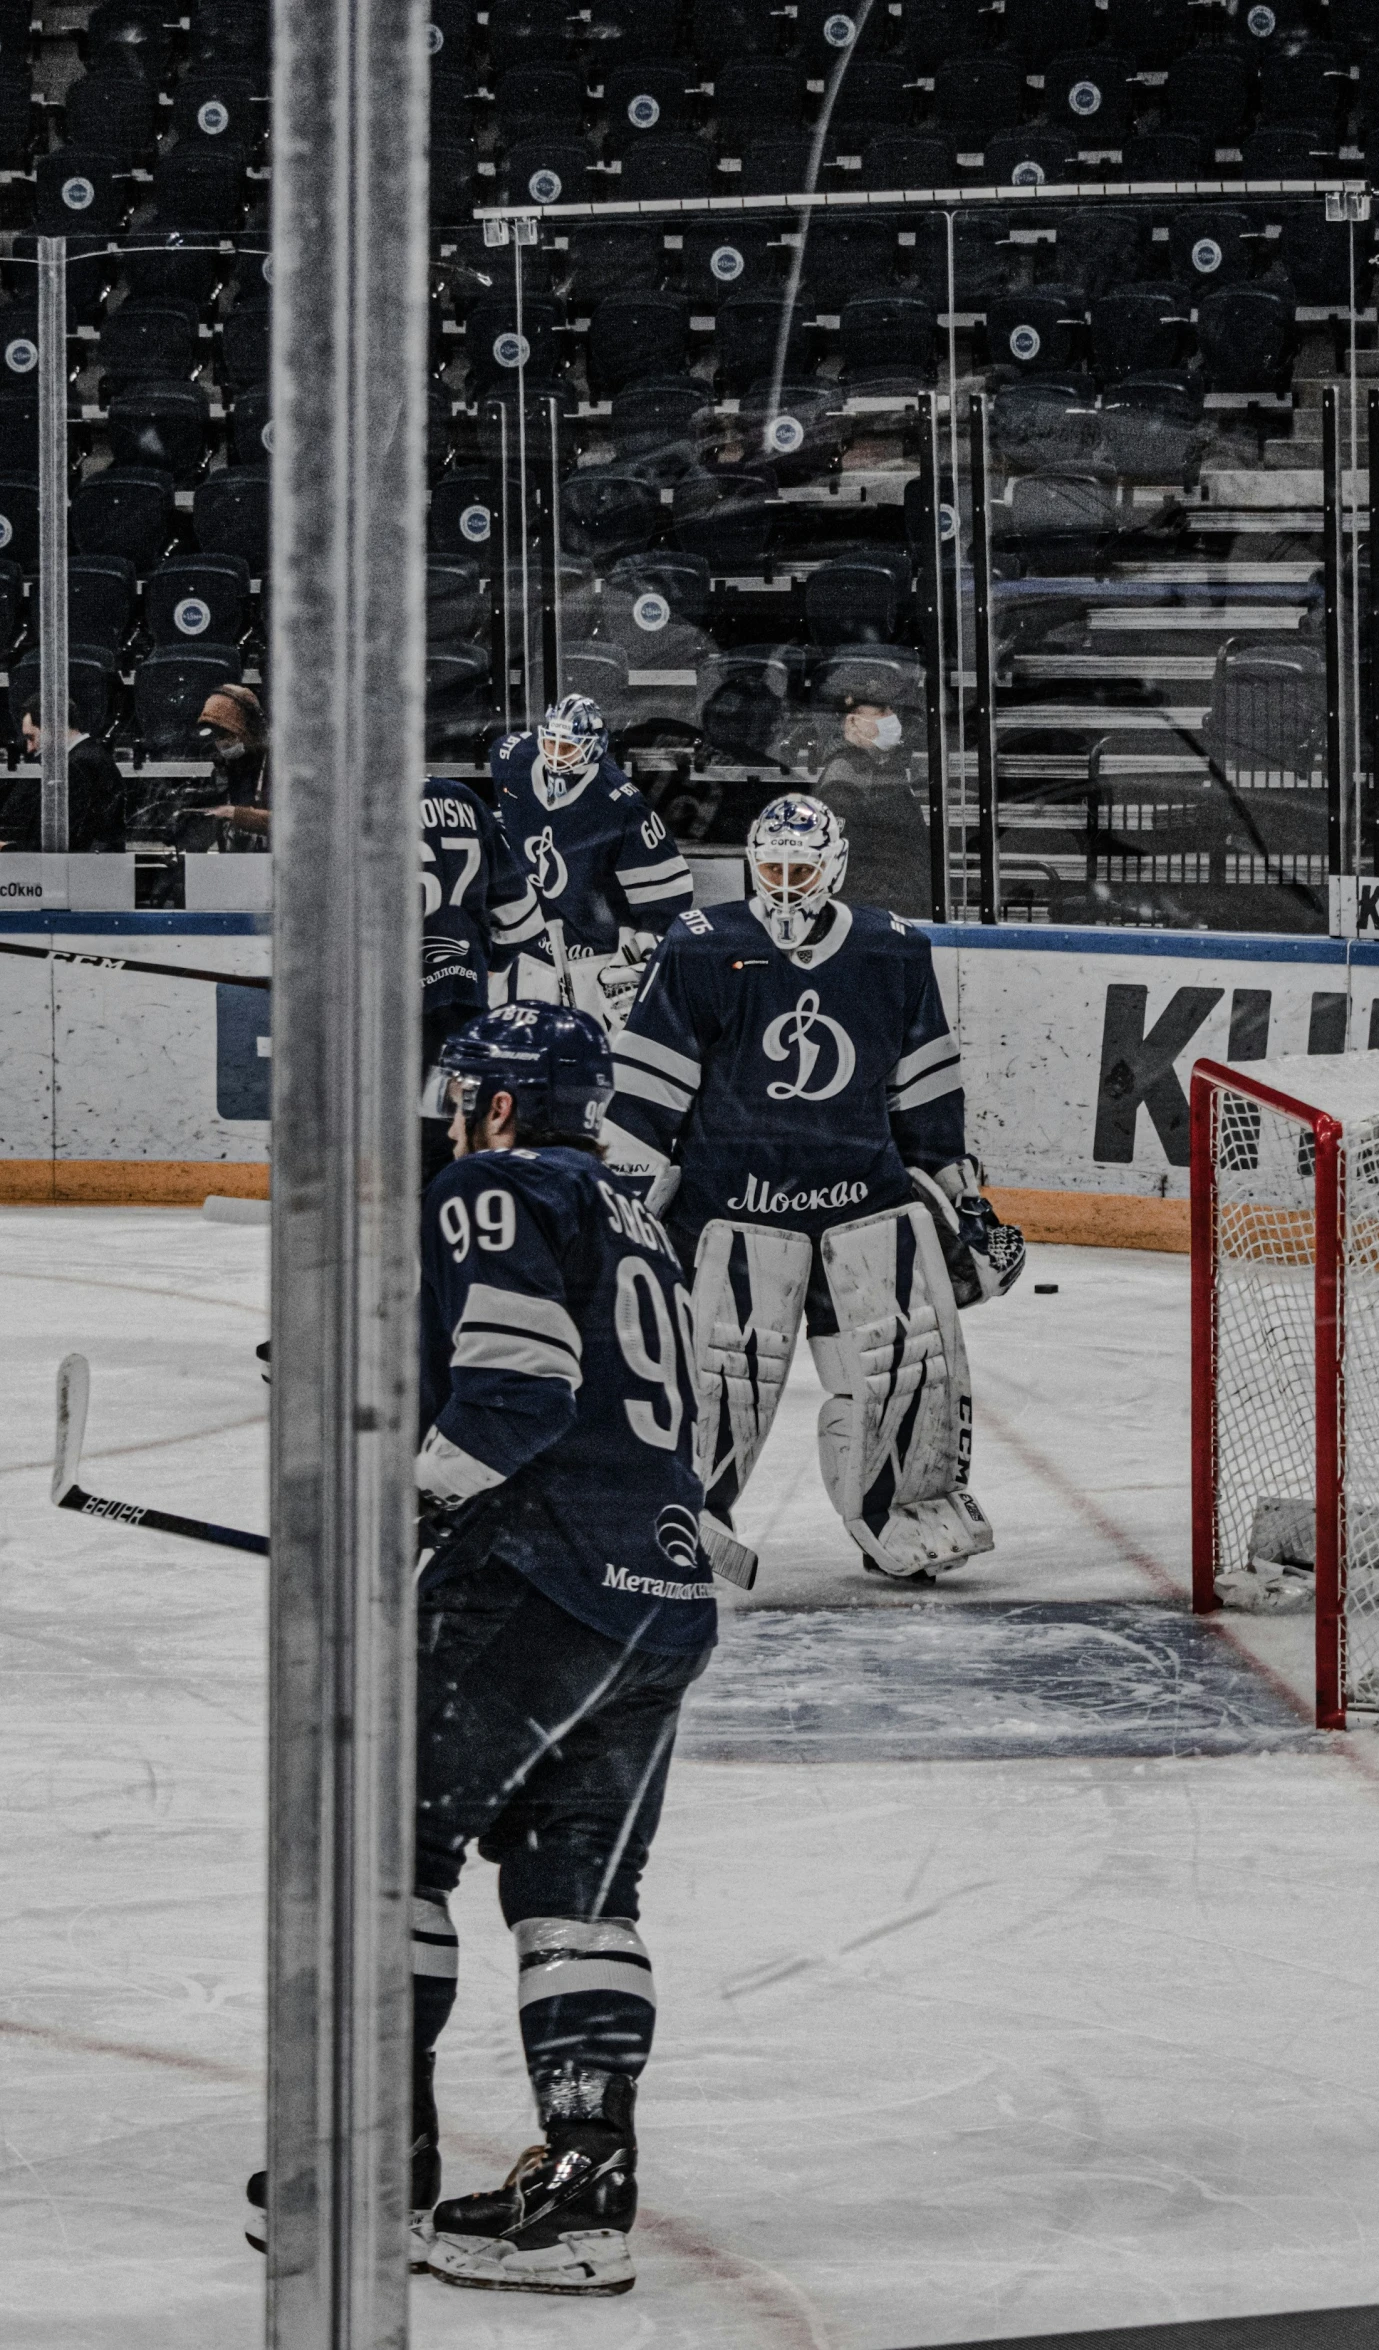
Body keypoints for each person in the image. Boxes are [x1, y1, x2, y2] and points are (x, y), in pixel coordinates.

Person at [247, 1006, 721, 2295]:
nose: (453, 1111)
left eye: (467, 1094)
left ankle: (367, 2160)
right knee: (579, 1897)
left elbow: (518, 1387)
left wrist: (393, 1506)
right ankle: (583, 2186)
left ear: (500, 1105)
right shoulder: (638, 1220)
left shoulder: (492, 1185)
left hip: (531, 1579)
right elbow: (697, 1424)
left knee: (384, 1848)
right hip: (660, 1597)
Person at [602, 792, 1025, 1583]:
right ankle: (681, 1507)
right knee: (722, 1380)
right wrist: (622, 1195)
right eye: (771, 866)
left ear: (832, 866)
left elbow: (925, 1089)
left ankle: (901, 1509)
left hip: (865, 1203)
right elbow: (647, 1091)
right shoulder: (698, 947)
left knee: (902, 1369)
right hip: (729, 1209)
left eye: (800, 867)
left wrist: (957, 1193)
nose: (785, 883)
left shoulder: (891, 950)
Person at [491, 694, 694, 1032]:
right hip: (527, 949)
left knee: (596, 1059)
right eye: (551, 743)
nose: (556, 756)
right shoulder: (512, 757)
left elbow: (668, 896)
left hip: (595, 954)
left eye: (568, 748)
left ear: (594, 747)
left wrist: (637, 960)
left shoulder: (621, 803)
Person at [418, 774, 551, 1189]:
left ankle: (411, 1226)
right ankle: (456, 1214)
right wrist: (490, 961)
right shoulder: (461, 797)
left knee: (394, 1122)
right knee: (447, 1112)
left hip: (387, 997)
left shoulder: (359, 800)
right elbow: (523, 916)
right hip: (464, 989)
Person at [812, 693, 932, 921]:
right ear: (853, 722)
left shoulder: (883, 769)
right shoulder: (845, 776)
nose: (892, 717)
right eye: (881, 712)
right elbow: (845, 861)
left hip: (901, 907)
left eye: (891, 709)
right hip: (875, 915)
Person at [0, 700, 126, 852]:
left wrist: (6, 848)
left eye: (31, 738)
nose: (30, 748)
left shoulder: (77, 764)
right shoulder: (87, 756)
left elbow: (65, 842)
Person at [186, 683, 270, 849]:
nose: (222, 743)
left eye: (227, 734)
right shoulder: (225, 767)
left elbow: (292, 823)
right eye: (216, 735)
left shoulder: (278, 767)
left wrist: (235, 815)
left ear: (250, 728)